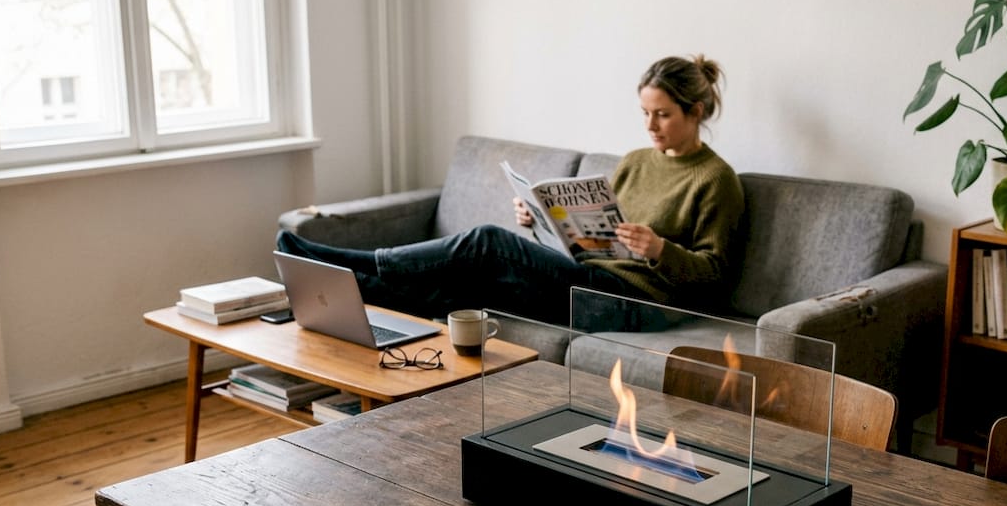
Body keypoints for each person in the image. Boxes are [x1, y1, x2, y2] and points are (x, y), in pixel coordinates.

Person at [276, 54, 745, 325]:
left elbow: (717, 278)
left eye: (662, 114)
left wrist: (661, 248)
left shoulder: (715, 180)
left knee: (488, 242)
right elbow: (590, 243)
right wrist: (543, 222)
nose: (650, 125)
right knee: (468, 285)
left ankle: (358, 262)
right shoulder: (637, 162)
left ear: (696, 111)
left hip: (635, 301)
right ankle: (357, 293)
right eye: (644, 112)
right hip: (587, 276)